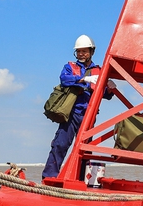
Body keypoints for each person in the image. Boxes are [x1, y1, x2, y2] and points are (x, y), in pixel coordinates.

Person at [42, 35, 115, 179]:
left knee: (85, 150)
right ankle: (49, 177)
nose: (81, 54)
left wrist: (110, 89)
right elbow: (64, 80)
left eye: (84, 51)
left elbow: (104, 94)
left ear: (91, 52)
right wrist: (83, 79)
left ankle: (80, 180)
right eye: (79, 52)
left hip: (88, 115)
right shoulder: (70, 67)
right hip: (71, 113)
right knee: (60, 145)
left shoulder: (99, 71)